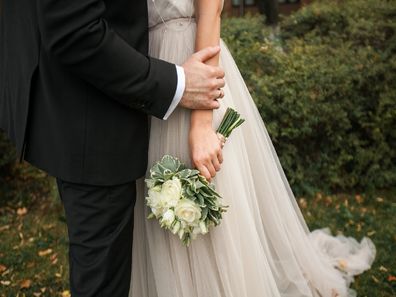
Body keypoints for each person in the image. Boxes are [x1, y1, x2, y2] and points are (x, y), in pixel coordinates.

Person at [130, 1, 376, 297]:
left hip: (194, 66)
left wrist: (202, 124)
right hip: (149, 78)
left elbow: (212, 11)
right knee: (160, 210)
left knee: (204, 201)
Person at [0, 0, 227, 296]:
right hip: (109, 98)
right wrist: (178, 85)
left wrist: (201, 124)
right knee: (109, 268)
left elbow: (212, 11)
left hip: (164, 84)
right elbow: (74, 29)